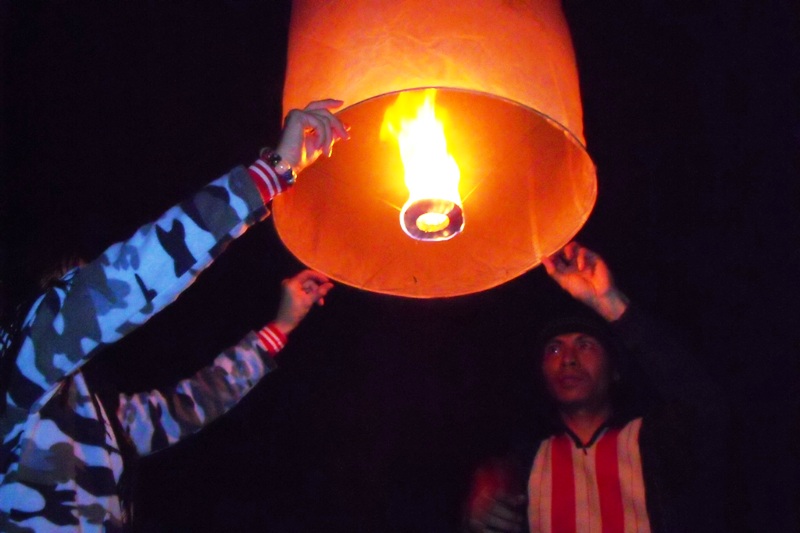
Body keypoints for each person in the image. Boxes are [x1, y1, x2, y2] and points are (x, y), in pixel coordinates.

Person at [0, 99, 349, 531]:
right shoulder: (17, 361)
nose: (81, 297)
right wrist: (272, 171)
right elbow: (130, 277)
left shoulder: (99, 413)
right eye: (70, 288)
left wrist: (280, 327)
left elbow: (192, 403)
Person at [464, 241, 731, 533]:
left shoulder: (654, 443)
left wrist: (611, 304)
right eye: (554, 349)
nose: (568, 359)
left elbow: (703, 402)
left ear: (614, 370)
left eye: (585, 345)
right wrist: (477, 514)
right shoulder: (524, 461)